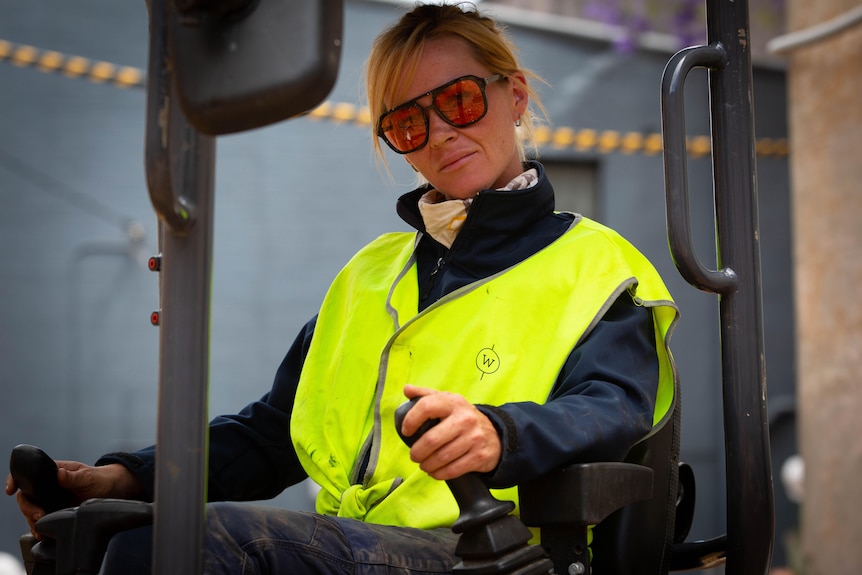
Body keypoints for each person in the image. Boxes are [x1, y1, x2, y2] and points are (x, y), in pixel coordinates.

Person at [6, 3, 679, 573]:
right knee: (99, 535)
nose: (442, 132)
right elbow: (272, 435)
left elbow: (611, 406)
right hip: (358, 544)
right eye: (411, 122)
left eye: (462, 100)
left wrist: (499, 432)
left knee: (187, 548)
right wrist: (126, 475)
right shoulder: (368, 276)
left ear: (516, 98)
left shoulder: (595, 264)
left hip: (488, 547)